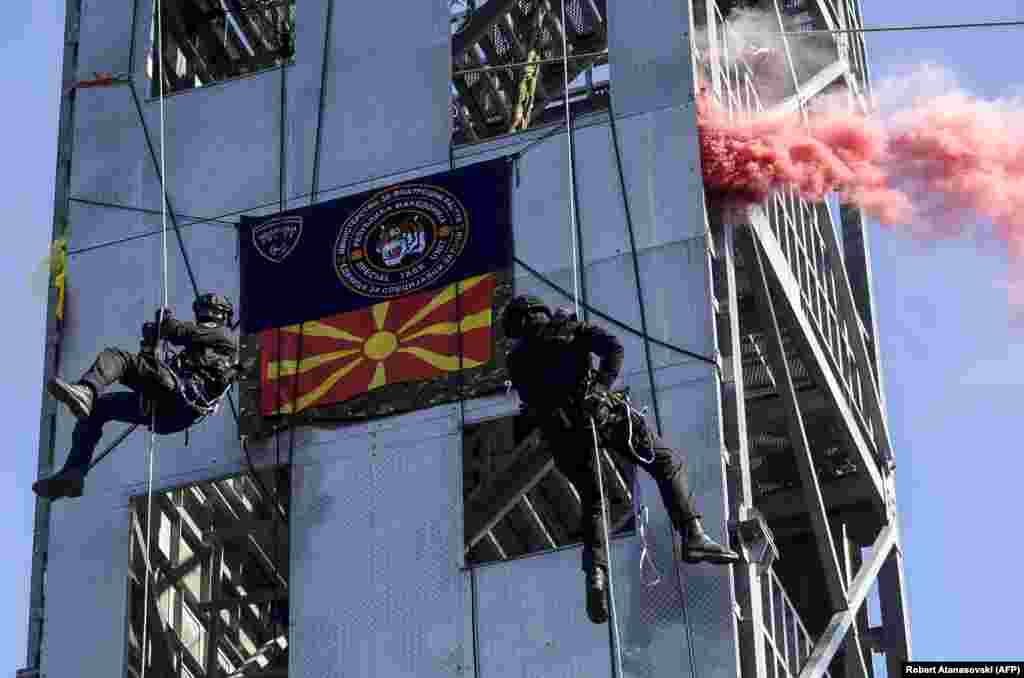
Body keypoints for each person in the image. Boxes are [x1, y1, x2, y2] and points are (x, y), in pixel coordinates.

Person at [503, 295, 739, 624]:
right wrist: (600, 389)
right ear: (537, 313)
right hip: (599, 415)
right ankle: (693, 535)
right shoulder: (566, 327)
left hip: (564, 434)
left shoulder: (517, 362)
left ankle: (596, 574)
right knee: (666, 462)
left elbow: (533, 404)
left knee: (594, 502)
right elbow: (614, 348)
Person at [32, 294, 240, 501]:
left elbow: (178, 332)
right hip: (169, 410)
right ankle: (74, 473)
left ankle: (87, 389)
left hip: (177, 397)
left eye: (205, 313)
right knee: (99, 408)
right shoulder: (206, 350)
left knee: (118, 358)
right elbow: (150, 368)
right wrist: (151, 344)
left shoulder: (224, 336)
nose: (202, 319)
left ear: (218, 315)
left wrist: (165, 324)